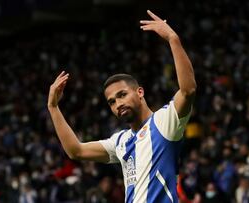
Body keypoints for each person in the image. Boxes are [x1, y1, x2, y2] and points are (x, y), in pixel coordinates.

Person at [47, 10, 196, 203]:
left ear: (140, 92)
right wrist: (53, 107)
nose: (118, 104)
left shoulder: (164, 122)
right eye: (112, 101)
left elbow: (188, 90)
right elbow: (76, 151)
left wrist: (173, 39)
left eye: (122, 95)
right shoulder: (121, 141)